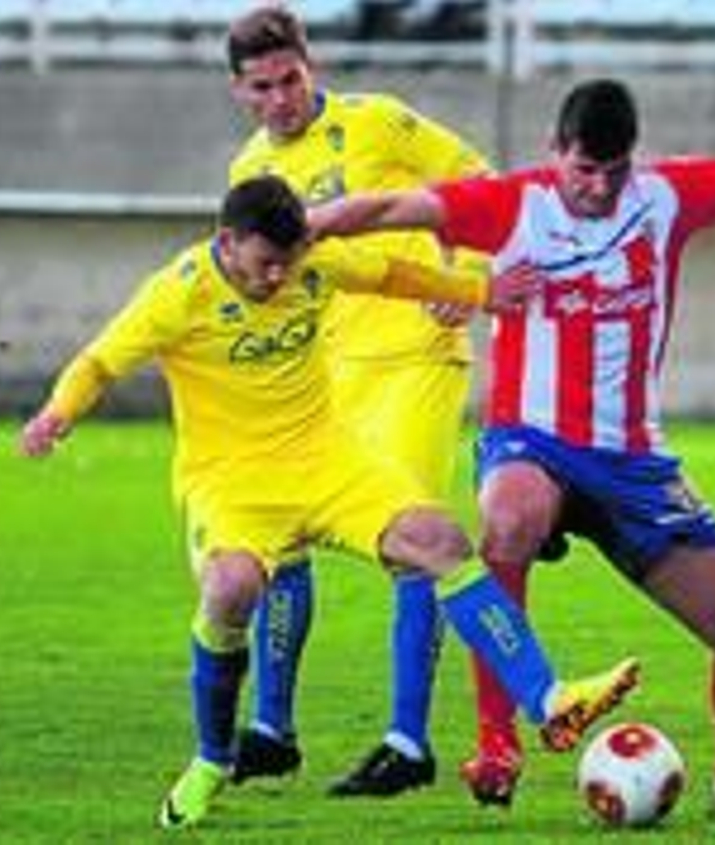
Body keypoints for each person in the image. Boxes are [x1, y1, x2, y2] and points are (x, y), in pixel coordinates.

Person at [309, 25, 715, 812]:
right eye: (585, 169)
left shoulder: (666, 197)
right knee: (508, 518)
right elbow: (390, 204)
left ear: (634, 159)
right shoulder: (513, 203)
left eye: (612, 171)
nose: (597, 186)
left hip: (633, 463)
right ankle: (497, 747)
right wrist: (302, 227)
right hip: (533, 440)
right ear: (559, 151)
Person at [19, 176, 639, 829]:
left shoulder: (309, 261)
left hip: (328, 463)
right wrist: (58, 413)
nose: (279, 275)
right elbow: (99, 362)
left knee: (443, 541)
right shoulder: (176, 293)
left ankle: (550, 699)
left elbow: (389, 273)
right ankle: (210, 759)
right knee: (230, 589)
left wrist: (480, 291)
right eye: (265, 264)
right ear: (226, 243)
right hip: (232, 482)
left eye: (290, 261)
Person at [224, 5, 494, 797]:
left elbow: (477, 179)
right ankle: (272, 730)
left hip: (415, 352)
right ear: (240, 91)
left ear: (311, 64)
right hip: (329, 372)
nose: (281, 98)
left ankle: (407, 742)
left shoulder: (377, 121)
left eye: (291, 78)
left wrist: (466, 269)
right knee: (281, 534)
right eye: (263, 86)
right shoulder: (248, 170)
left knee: (413, 544)